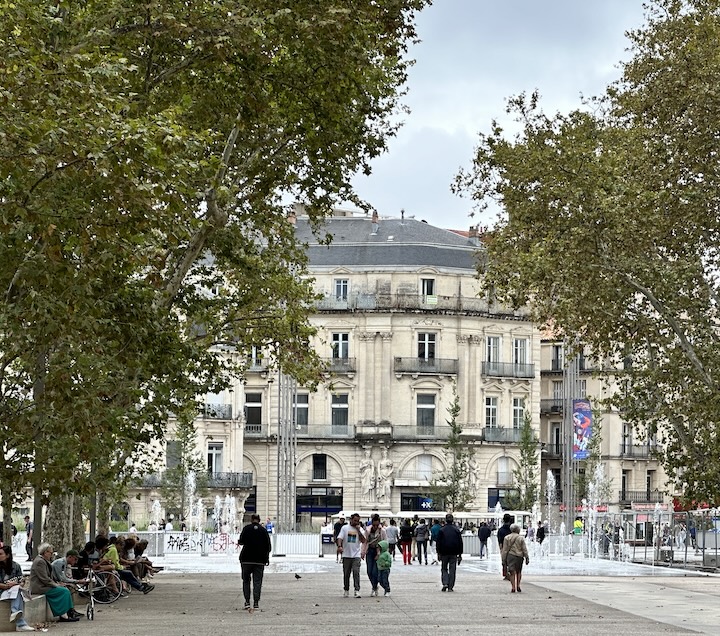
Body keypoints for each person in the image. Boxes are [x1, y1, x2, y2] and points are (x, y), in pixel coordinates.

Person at [29, 543, 82, 622]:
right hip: (40, 587)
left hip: (44, 585)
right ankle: (64, 614)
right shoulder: (40, 562)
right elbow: (44, 578)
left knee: (65, 589)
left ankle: (68, 611)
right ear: (45, 552)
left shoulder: (43, 561)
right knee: (64, 591)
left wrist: (58, 584)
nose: (51, 555)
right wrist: (56, 585)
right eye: (51, 553)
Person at [238, 514, 272, 610]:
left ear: (251, 520)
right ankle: (256, 602)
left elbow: (241, 541)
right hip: (259, 560)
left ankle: (247, 602)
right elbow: (268, 547)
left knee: (246, 581)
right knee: (257, 581)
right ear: (259, 520)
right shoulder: (263, 531)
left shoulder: (246, 529)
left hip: (246, 559)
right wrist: (266, 558)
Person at [0, 545, 36, 631]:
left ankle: (16, 614)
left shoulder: (16, 566)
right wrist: (8, 586)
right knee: (18, 591)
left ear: (7, 555)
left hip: (13, 591)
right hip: (2, 591)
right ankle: (19, 619)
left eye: (1, 554)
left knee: (18, 590)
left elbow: (22, 581)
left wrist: (16, 584)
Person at [336, 512, 366, 598]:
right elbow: (340, 538)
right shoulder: (345, 528)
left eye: (358, 521)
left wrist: (358, 531)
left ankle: (357, 590)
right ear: (351, 520)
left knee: (356, 572)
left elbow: (363, 540)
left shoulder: (360, 529)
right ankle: (346, 589)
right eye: (355, 520)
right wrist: (339, 546)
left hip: (356, 554)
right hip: (346, 554)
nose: (356, 522)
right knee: (346, 574)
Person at [436, 513, 463, 592]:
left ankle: (445, 582)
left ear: (445, 520)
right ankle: (450, 586)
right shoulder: (456, 530)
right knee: (452, 570)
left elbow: (438, 543)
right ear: (453, 520)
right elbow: (460, 543)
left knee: (444, 568)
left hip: (444, 552)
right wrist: (460, 554)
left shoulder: (442, 530)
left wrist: (438, 553)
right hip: (454, 552)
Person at [362, 514, 386, 596]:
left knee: (375, 572)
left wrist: (381, 553)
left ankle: (374, 587)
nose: (375, 527)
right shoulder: (368, 530)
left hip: (378, 551)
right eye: (374, 525)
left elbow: (385, 542)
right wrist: (363, 552)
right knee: (369, 571)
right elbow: (365, 542)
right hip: (369, 551)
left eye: (377, 525)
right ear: (372, 523)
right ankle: (374, 586)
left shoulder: (382, 531)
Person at [501, 524, 529, 593]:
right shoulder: (521, 538)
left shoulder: (507, 538)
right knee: (519, 571)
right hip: (519, 556)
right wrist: (526, 557)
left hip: (511, 556)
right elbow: (524, 549)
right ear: (517, 530)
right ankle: (518, 585)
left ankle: (513, 587)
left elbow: (505, 550)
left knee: (512, 572)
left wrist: (503, 559)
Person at [497, 513, 512, 580]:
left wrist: (501, 549)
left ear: (503, 520)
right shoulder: (512, 529)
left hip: (504, 547)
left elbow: (500, 541)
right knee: (511, 561)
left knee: (504, 561)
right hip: (512, 547)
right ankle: (511, 573)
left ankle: (506, 574)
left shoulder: (501, 530)